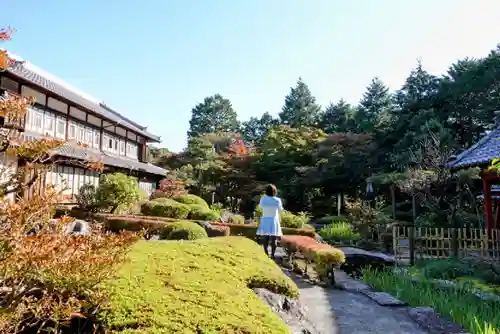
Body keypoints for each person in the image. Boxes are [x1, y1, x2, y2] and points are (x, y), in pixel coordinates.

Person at [256, 184, 284, 258]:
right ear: (274, 191)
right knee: (274, 239)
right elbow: (281, 209)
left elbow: (260, 207)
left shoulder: (263, 199)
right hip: (274, 220)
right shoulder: (277, 200)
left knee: (265, 238)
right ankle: (272, 255)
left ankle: (265, 253)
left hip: (265, 219)